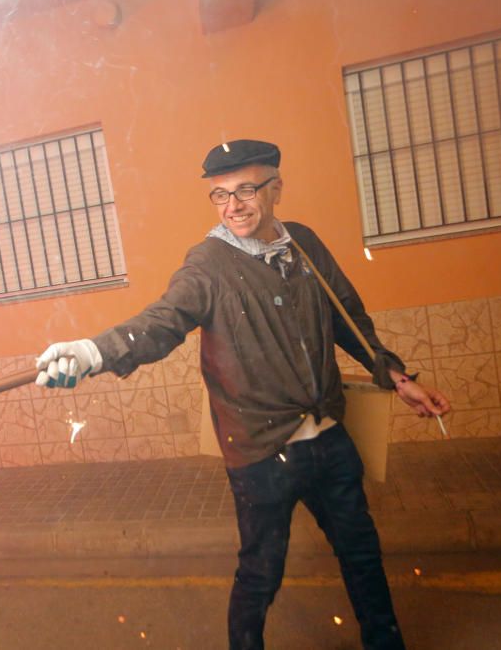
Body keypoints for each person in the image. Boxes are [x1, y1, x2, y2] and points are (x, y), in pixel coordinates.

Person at [35, 139, 451, 650]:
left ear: (275, 189)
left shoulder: (304, 244)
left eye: (246, 190)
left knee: (361, 554)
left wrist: (397, 378)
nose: (233, 206)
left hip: (329, 438)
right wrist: (90, 353)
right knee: (260, 574)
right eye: (220, 195)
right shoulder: (207, 264)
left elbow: (349, 318)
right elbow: (163, 322)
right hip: (261, 454)